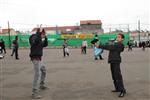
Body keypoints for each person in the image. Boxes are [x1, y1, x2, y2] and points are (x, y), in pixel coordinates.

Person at [95, 33, 126, 97]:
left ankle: (122, 90)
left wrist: (100, 45)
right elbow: (108, 45)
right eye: (117, 37)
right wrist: (108, 42)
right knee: (114, 76)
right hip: (112, 61)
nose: (117, 38)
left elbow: (110, 47)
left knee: (118, 76)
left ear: (122, 39)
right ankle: (117, 88)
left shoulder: (120, 44)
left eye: (119, 37)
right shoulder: (115, 43)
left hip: (116, 61)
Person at [29, 28, 48, 99]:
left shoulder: (40, 41)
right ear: (40, 34)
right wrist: (39, 34)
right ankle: (34, 93)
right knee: (37, 74)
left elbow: (45, 45)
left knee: (44, 70)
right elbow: (34, 41)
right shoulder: (34, 38)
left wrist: (45, 38)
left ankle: (41, 85)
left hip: (39, 59)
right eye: (44, 34)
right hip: (35, 58)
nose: (44, 36)